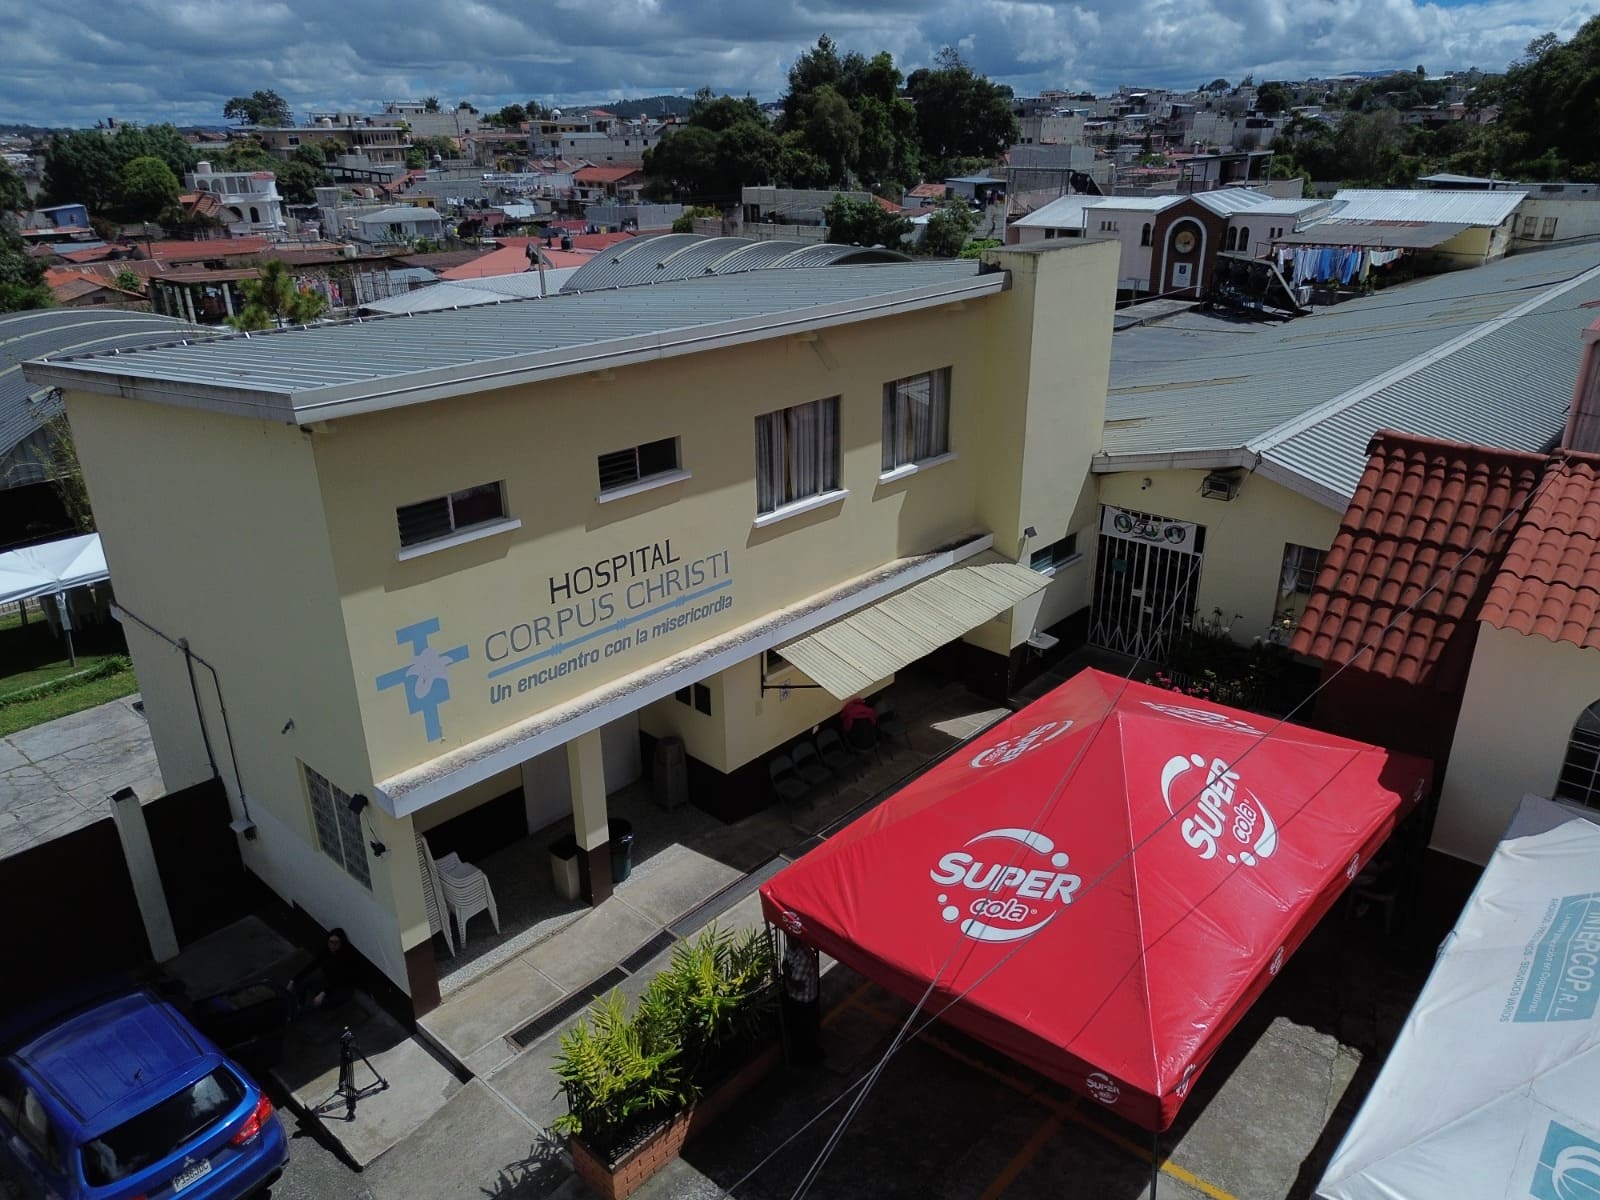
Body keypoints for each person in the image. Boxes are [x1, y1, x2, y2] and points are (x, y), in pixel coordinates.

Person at [291, 927, 356, 1016]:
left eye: (336, 943)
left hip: (342, 989)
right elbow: (312, 965)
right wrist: (294, 979)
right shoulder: (327, 951)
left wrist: (323, 993)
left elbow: (340, 979)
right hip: (328, 983)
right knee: (302, 982)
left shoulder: (346, 957)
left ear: (341, 943)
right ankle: (299, 1004)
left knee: (316, 1004)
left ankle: (295, 1015)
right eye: (331, 942)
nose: (332, 945)